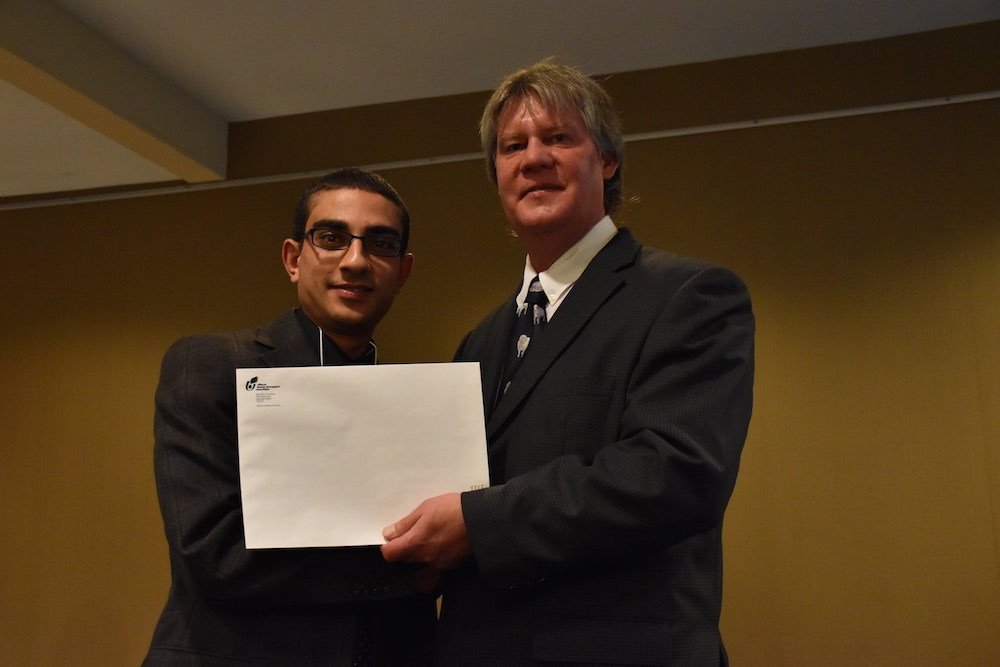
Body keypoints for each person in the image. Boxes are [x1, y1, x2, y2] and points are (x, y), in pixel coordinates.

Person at [380, 61, 755, 665]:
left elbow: (677, 474)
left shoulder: (688, 296)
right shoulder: (479, 343)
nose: (533, 158)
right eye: (513, 146)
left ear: (607, 160)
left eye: (558, 137)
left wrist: (478, 525)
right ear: (497, 175)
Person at [144, 168, 434, 666]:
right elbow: (215, 556)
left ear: (402, 272)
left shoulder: (420, 409)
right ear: (293, 259)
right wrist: (408, 570)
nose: (356, 261)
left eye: (381, 244)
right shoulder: (212, 365)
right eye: (332, 238)